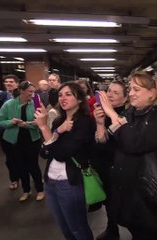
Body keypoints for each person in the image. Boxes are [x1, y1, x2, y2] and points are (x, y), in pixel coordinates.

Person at [94, 71, 157, 240]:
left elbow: (136, 144)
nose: (131, 93)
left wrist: (112, 113)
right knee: (137, 232)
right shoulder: (129, 114)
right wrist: (100, 124)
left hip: (148, 195)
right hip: (129, 194)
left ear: (153, 92)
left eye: (137, 89)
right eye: (130, 88)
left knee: (150, 233)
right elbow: (106, 142)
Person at [35, 82, 95, 240]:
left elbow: (62, 154)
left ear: (80, 99)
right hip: (51, 182)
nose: (63, 98)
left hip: (69, 183)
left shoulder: (85, 122)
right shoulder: (58, 122)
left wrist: (44, 129)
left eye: (69, 94)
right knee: (65, 228)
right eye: (61, 94)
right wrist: (57, 131)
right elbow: (44, 152)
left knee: (78, 228)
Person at [92, 80, 128, 240]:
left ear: (125, 99)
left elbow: (113, 141)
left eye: (116, 93)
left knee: (122, 201)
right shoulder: (101, 113)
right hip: (103, 164)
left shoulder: (126, 116)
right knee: (108, 199)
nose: (110, 95)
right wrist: (99, 123)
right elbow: (100, 141)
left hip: (119, 165)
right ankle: (111, 228)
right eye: (109, 91)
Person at [0, 81, 44, 202]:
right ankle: (26, 190)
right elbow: (0, 121)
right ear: (22, 91)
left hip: (33, 139)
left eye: (33, 91)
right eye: (30, 91)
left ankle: (40, 189)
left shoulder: (36, 104)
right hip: (15, 140)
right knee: (21, 166)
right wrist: (11, 122)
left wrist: (26, 125)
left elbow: (40, 123)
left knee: (33, 165)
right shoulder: (9, 104)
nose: (33, 94)